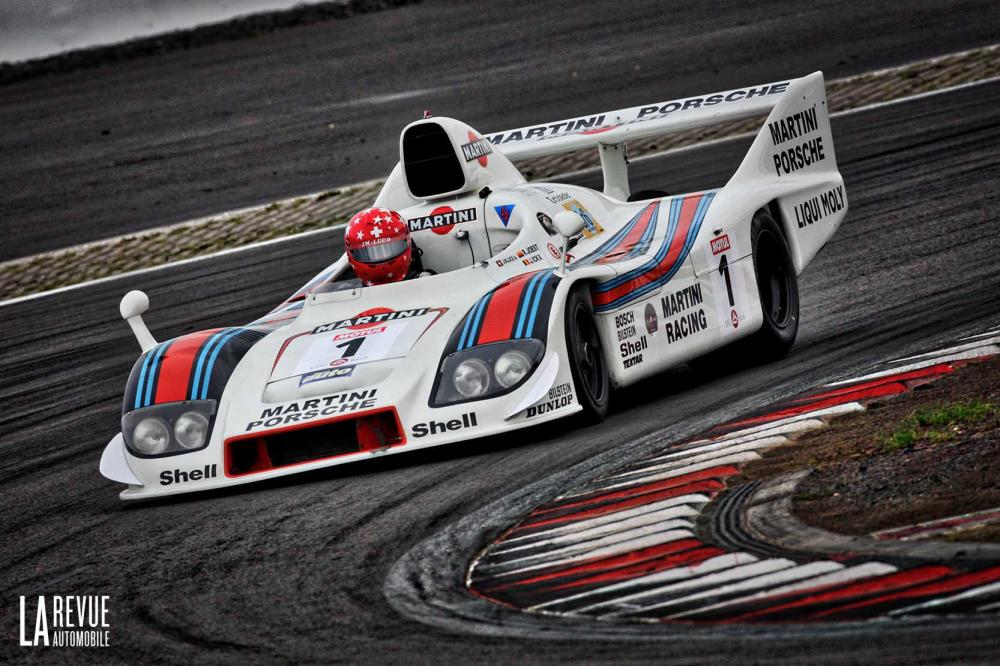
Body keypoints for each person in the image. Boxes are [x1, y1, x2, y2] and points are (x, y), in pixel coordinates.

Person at [343, 207, 430, 286]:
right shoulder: (344, 292)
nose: (382, 261)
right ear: (351, 253)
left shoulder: (427, 281)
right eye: (372, 253)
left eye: (388, 249)